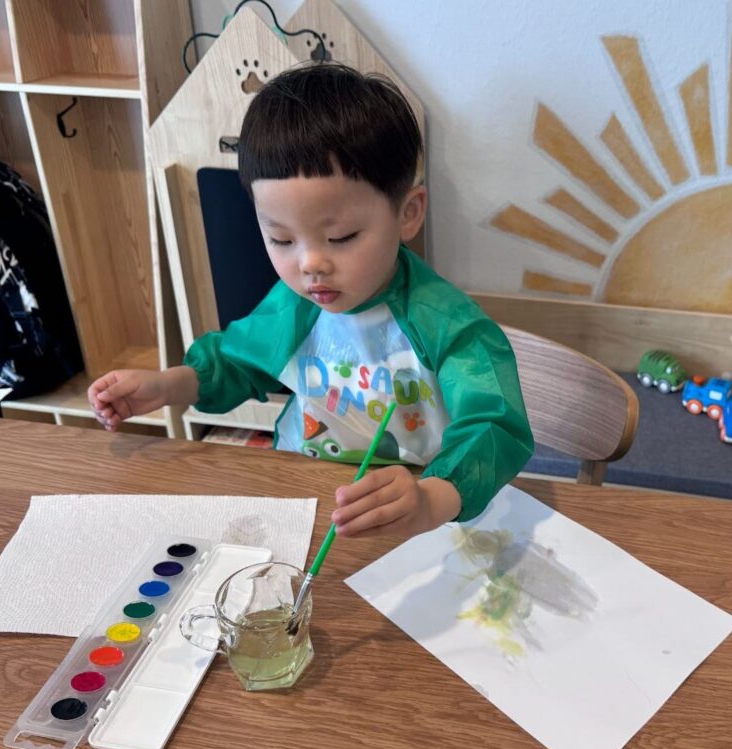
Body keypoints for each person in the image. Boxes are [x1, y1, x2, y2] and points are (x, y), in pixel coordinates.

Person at [87, 63, 533, 542]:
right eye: (280, 239)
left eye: (340, 237)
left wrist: (433, 497)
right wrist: (165, 386)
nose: (310, 265)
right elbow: (235, 361)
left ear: (408, 213)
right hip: (304, 494)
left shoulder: (446, 325)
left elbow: (495, 425)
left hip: (416, 510)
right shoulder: (299, 305)